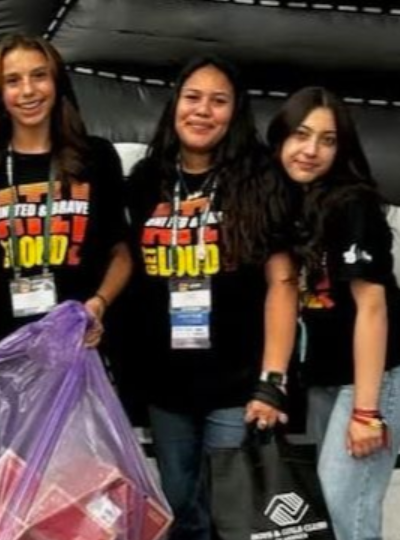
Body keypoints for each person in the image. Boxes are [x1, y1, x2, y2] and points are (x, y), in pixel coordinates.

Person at [123, 56, 297, 540]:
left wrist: (272, 381)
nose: (203, 111)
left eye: (218, 101)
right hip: (167, 386)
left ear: (235, 112)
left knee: (233, 511)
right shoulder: (146, 181)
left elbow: (282, 285)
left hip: (236, 385)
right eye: (193, 97)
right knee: (181, 507)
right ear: (175, 104)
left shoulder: (259, 181)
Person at [267, 87, 400, 540]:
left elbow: (373, 307)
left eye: (327, 140)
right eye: (302, 135)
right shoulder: (291, 201)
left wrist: (367, 411)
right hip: (325, 377)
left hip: (369, 379)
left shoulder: (350, 203)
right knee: (330, 508)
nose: (311, 150)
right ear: (281, 137)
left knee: (348, 512)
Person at [0, 33, 132, 364]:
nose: (28, 91)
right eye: (13, 80)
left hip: (81, 346)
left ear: (57, 83)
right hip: (7, 350)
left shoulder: (96, 158)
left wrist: (100, 302)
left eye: (39, 75)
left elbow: (122, 252)